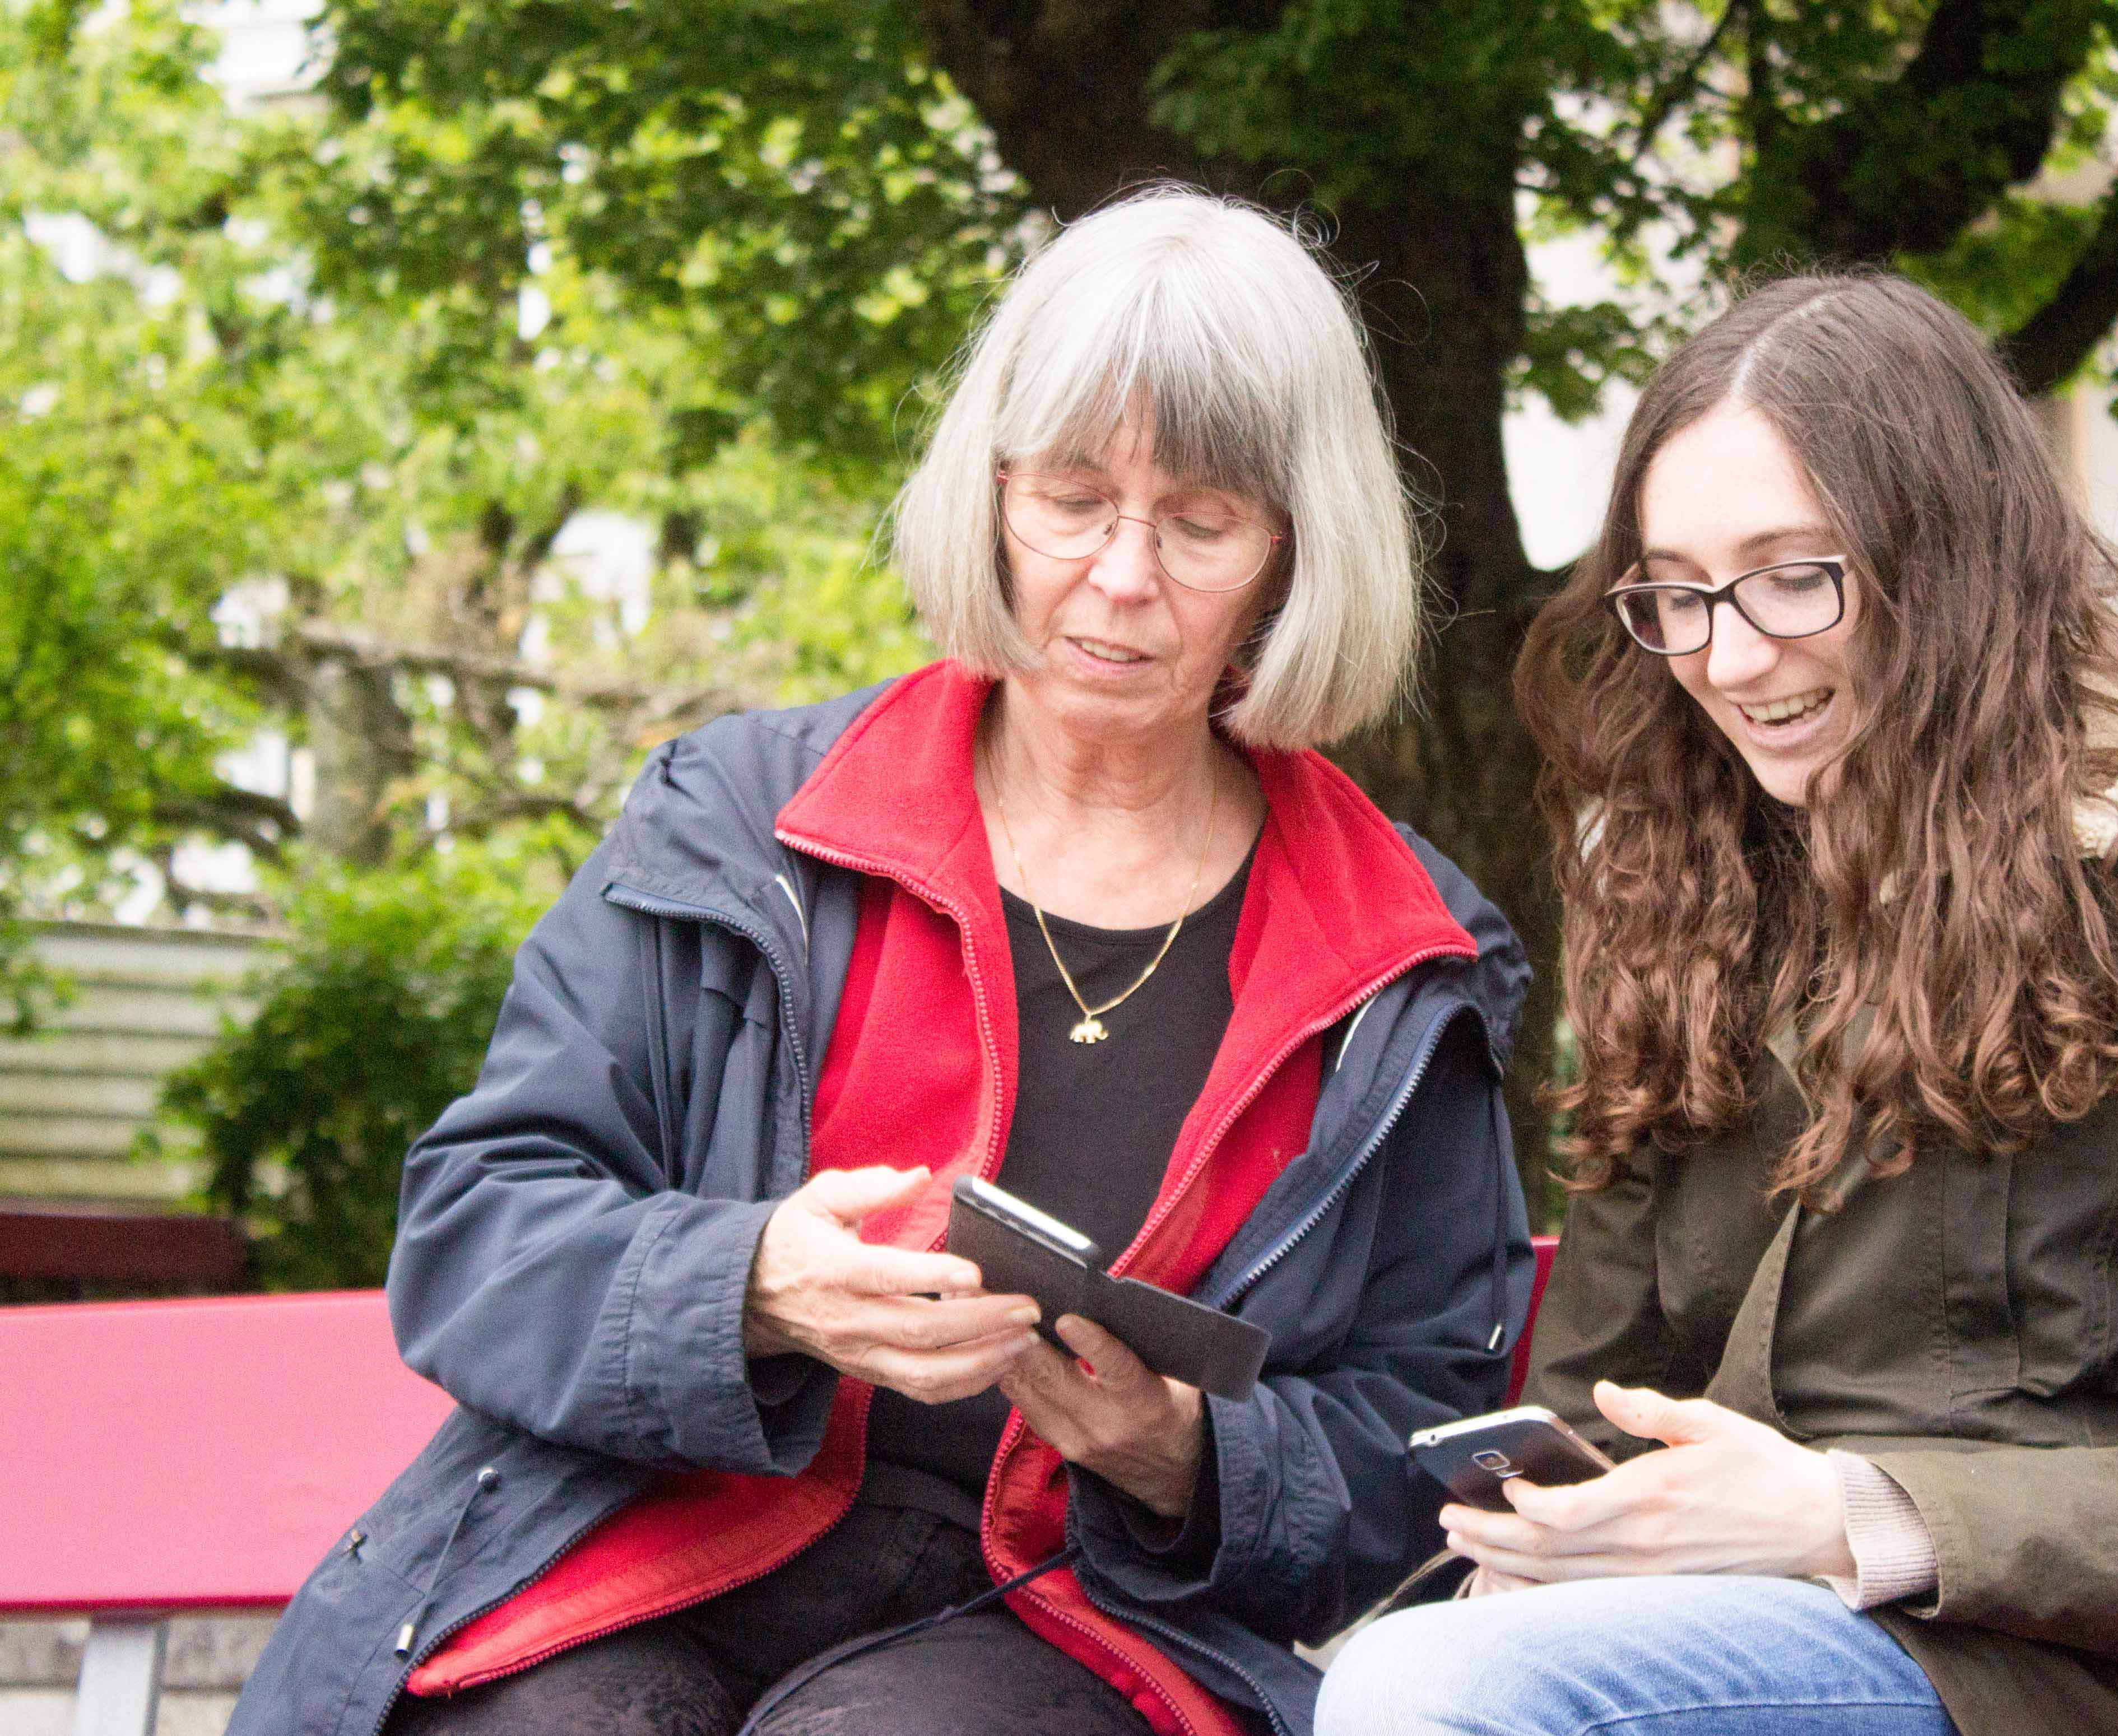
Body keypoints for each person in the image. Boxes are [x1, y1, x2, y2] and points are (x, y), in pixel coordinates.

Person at [229, 187, 1534, 1736]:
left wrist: (1186, 1449)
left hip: (1079, 1616)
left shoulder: (1397, 956)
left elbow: (1425, 1439)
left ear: (1293, 556)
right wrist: (754, 1285)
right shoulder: (743, 823)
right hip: (651, 1540)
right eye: (1072, 497)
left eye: (1198, 523)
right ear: (990, 495)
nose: (1122, 576)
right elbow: (475, 1233)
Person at [1318, 272, 2118, 1736]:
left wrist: (1838, 1511)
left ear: (1955, 562)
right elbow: (1596, 1418)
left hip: (2106, 1688)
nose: (1728, 656)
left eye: (1796, 575)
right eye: (1678, 592)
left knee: (1439, 1695)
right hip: (1740, 1651)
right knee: (1388, 1677)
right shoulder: (1704, 904)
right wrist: (1541, 1541)